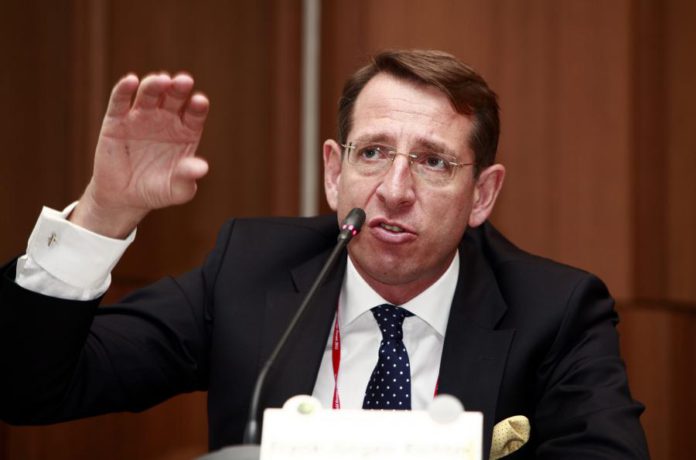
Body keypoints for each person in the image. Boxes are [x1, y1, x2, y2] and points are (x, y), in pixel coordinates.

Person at [0, 49, 648, 458]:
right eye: (373, 153)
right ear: (335, 174)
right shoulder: (249, 271)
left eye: (433, 162)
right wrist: (105, 211)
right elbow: (27, 388)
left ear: (482, 194)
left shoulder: (555, 311)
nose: (395, 190)